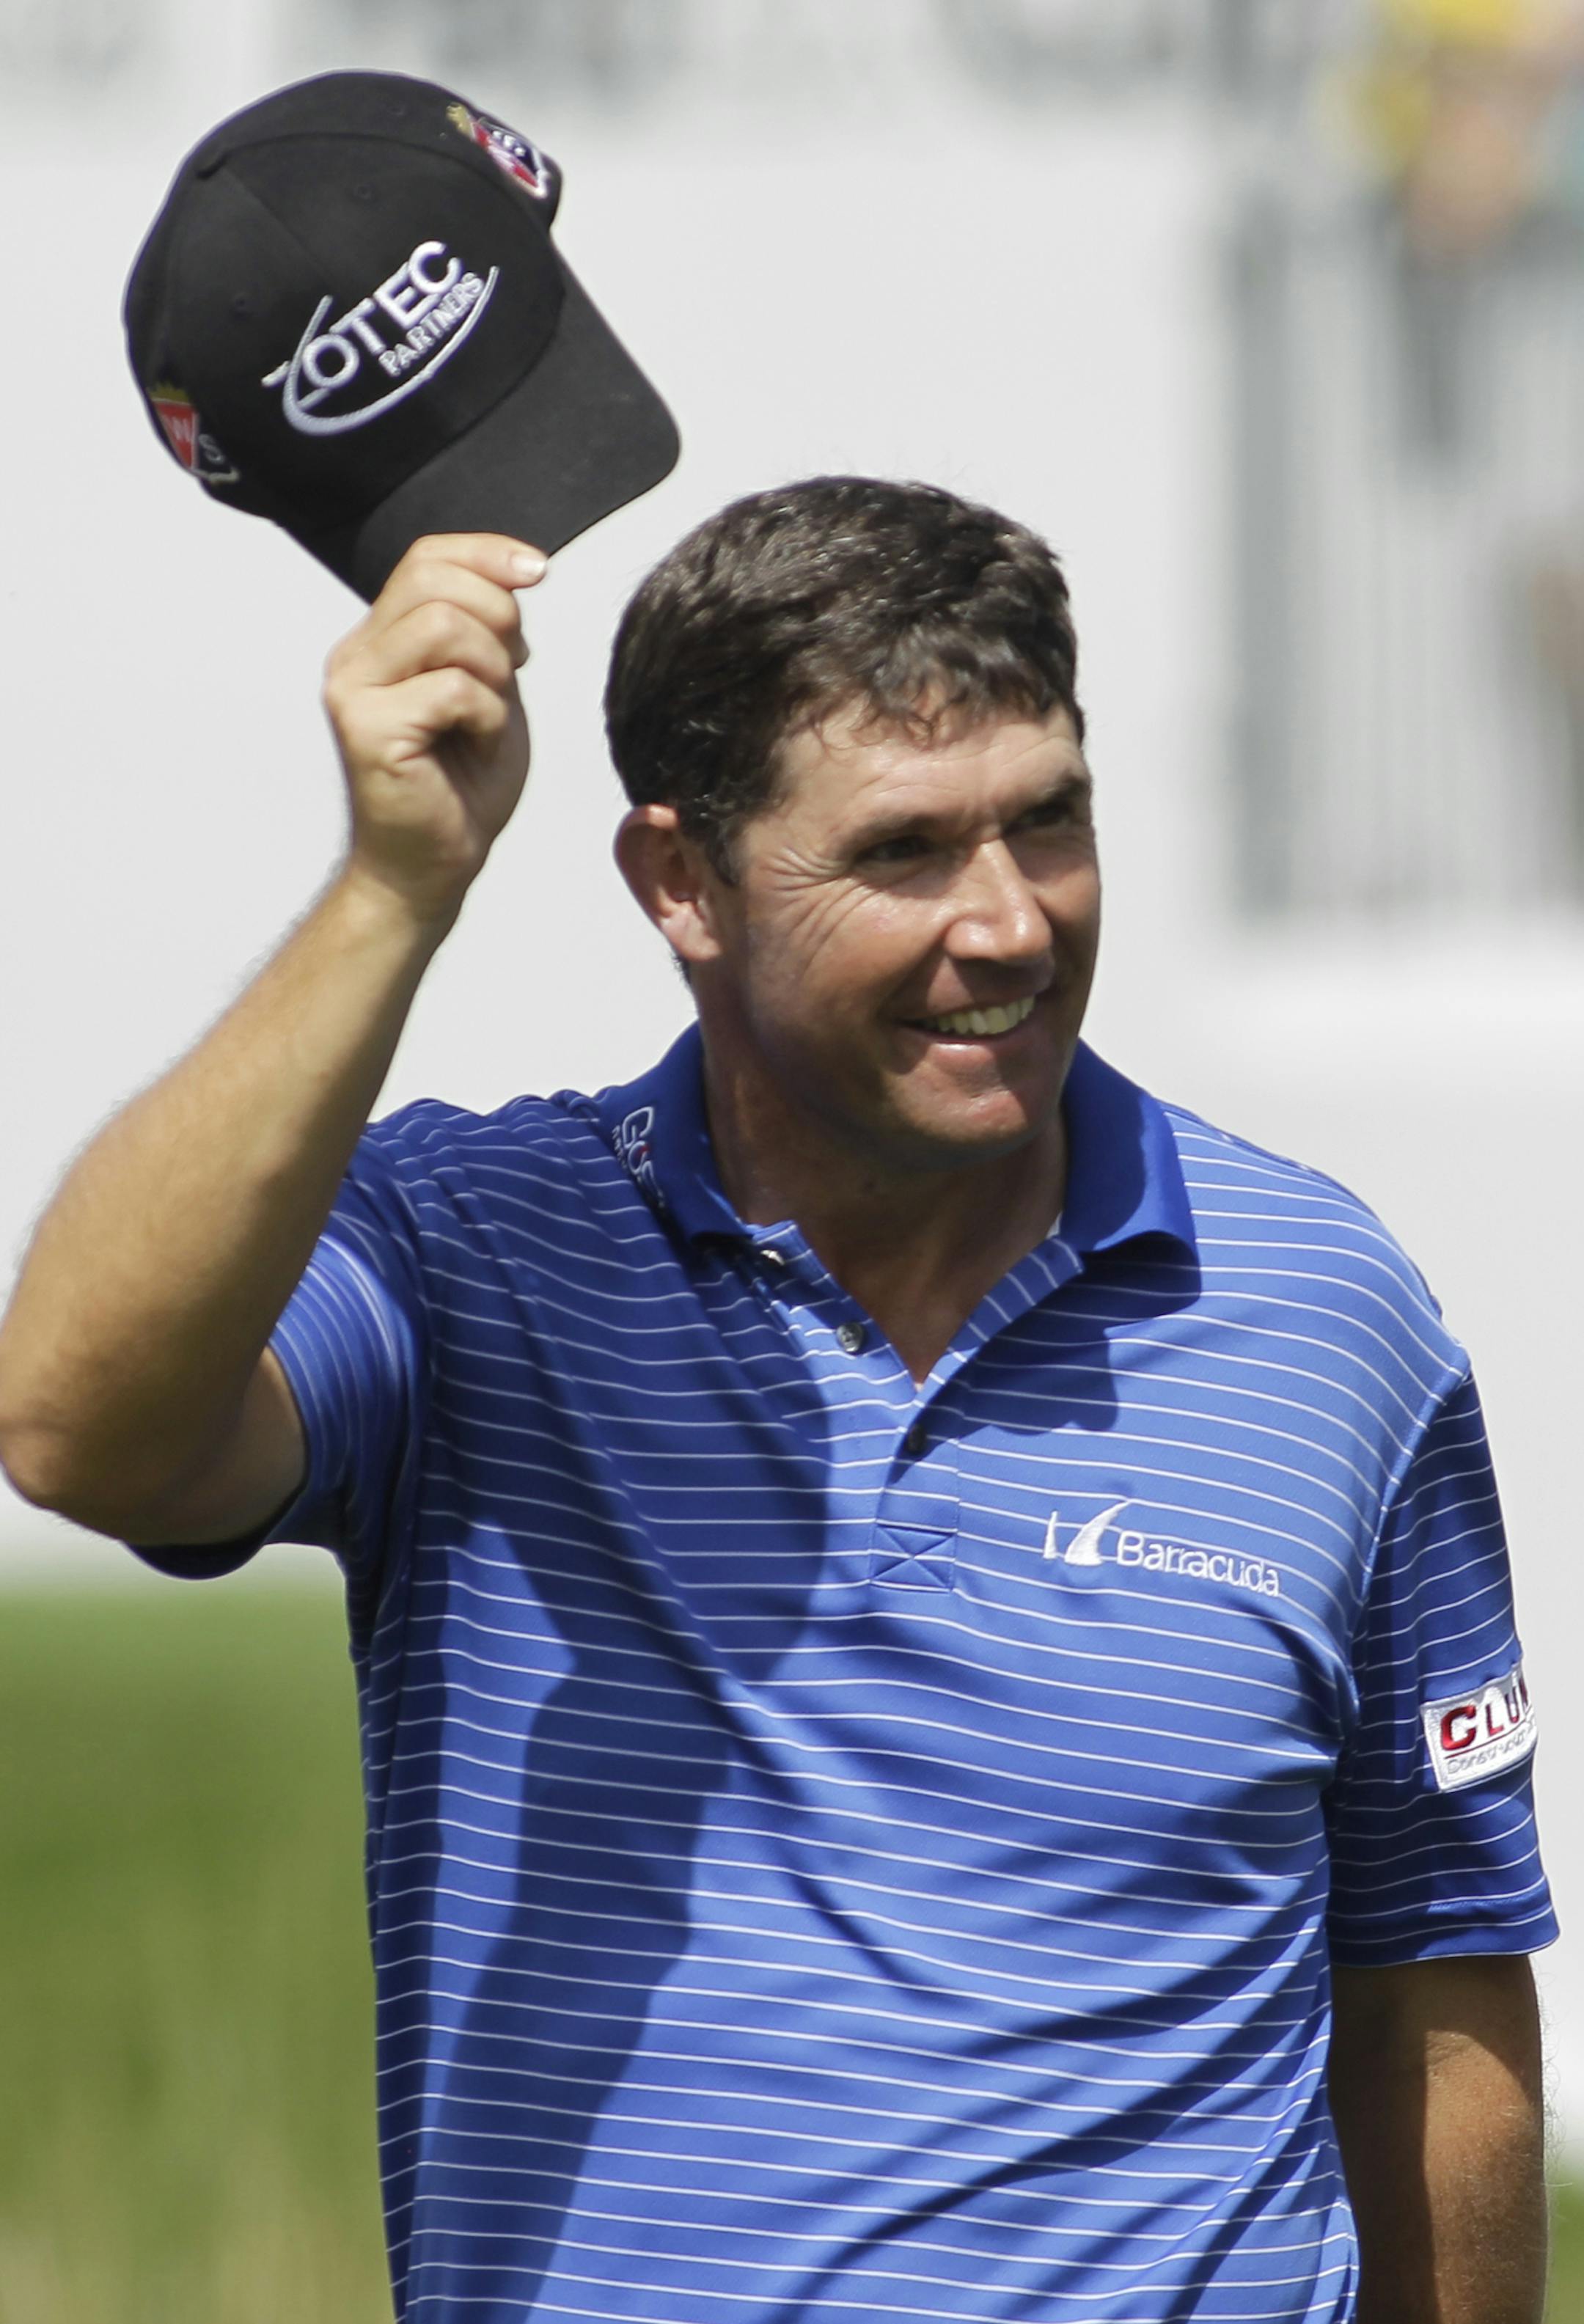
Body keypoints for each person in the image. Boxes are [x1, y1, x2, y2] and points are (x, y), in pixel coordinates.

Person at [0, 478, 1553, 2324]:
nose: (1007, 925)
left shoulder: (1323, 1307)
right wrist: (390, 887)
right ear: (682, 885)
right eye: (903, 852)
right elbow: (79, 1427)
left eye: (1048, 821)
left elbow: (1434, 1984)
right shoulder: (472, 1256)